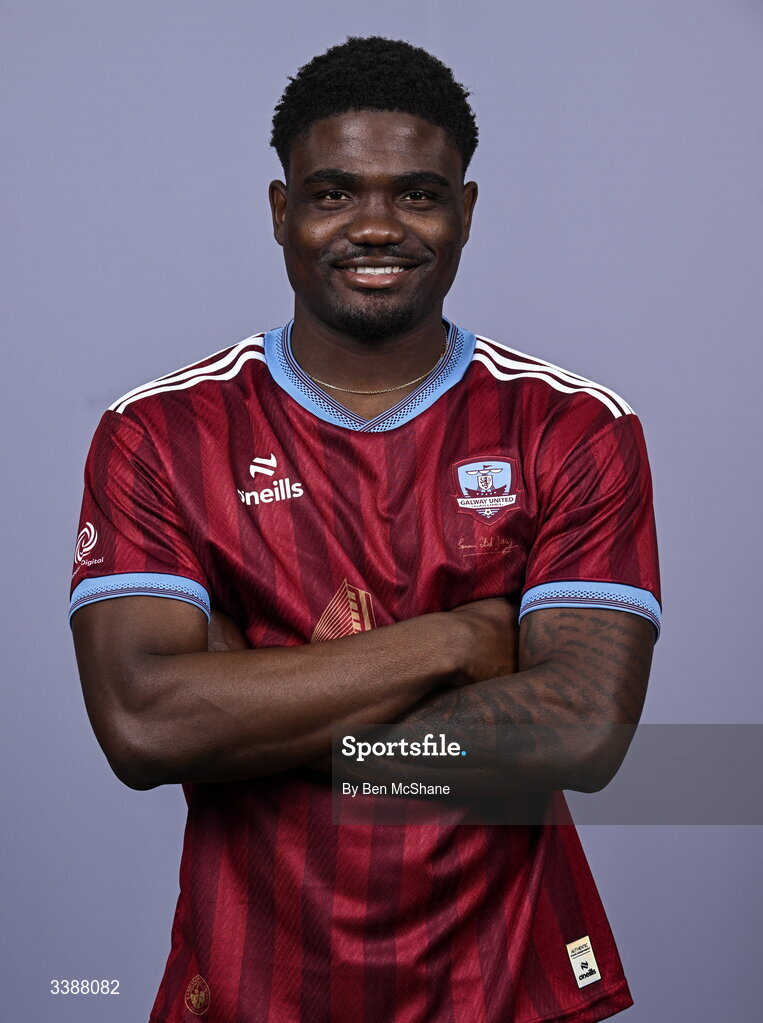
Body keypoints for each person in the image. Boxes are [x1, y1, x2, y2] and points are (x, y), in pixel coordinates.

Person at [69, 36, 660, 1023]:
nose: (376, 227)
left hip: (507, 990)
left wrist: (265, 706)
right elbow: (144, 726)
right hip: (246, 993)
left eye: (418, 194)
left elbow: (581, 730)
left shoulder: (573, 427)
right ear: (280, 211)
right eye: (335, 193)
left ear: (466, 211)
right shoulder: (158, 434)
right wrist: (458, 640)